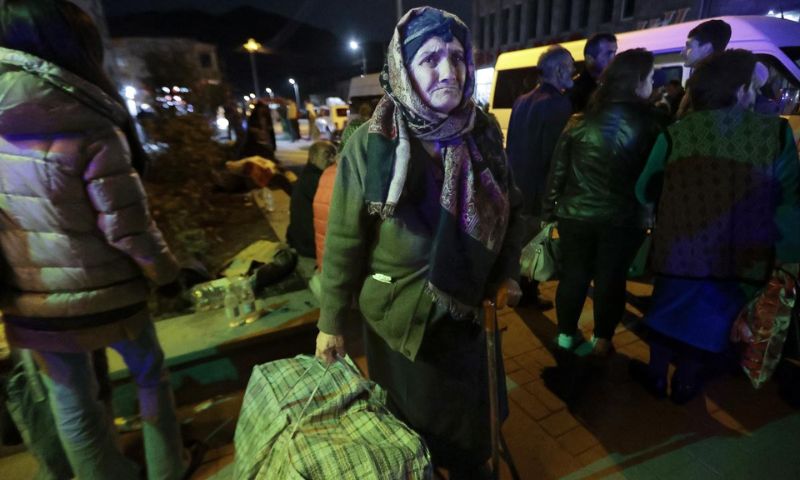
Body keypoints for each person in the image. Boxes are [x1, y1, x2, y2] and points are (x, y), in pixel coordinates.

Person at [314, 7, 523, 478]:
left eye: (457, 57)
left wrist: (506, 272)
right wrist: (331, 323)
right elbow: (344, 240)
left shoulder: (482, 132)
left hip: (466, 308)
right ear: (403, 68)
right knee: (413, 425)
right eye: (430, 59)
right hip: (401, 318)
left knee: (472, 420)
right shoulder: (371, 144)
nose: (449, 71)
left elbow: (512, 209)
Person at [0, 1, 199, 478]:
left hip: (29, 302)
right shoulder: (88, 120)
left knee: (71, 399)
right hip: (109, 294)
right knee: (149, 374)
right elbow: (128, 229)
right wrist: (166, 274)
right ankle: (168, 468)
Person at [633, 49, 800, 404]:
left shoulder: (675, 134)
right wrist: (785, 254)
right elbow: (789, 201)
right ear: (740, 90)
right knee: (709, 325)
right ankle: (685, 384)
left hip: (679, 251)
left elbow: (644, 188)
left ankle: (655, 377)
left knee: (665, 316)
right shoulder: (776, 134)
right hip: (742, 256)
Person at [542, 49, 665, 356]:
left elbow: (558, 173)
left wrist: (549, 211)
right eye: (650, 78)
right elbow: (656, 179)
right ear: (637, 81)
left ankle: (565, 337)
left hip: (575, 215)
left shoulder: (579, 121)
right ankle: (602, 341)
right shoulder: (653, 124)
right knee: (612, 279)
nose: (653, 84)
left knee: (574, 275)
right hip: (625, 219)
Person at [506, 45, 574, 308]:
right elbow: (555, 155)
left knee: (521, 239)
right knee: (535, 243)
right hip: (540, 187)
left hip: (518, 183)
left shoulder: (522, 101)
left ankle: (518, 290)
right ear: (558, 70)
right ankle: (527, 294)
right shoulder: (558, 103)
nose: (573, 73)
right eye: (570, 67)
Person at [286, 140, 337, 258]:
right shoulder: (316, 180)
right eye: (327, 155)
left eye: (334, 155)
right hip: (311, 246)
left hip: (301, 241)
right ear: (312, 158)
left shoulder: (307, 175)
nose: (332, 159)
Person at [675, 19, 731, 118]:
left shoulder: (706, 85)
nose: (682, 52)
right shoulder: (721, 79)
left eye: (688, 46)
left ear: (706, 48)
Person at [568, 33, 617, 113]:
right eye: (608, 54)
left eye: (614, 53)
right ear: (589, 59)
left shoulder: (616, 84)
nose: (613, 58)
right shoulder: (576, 90)